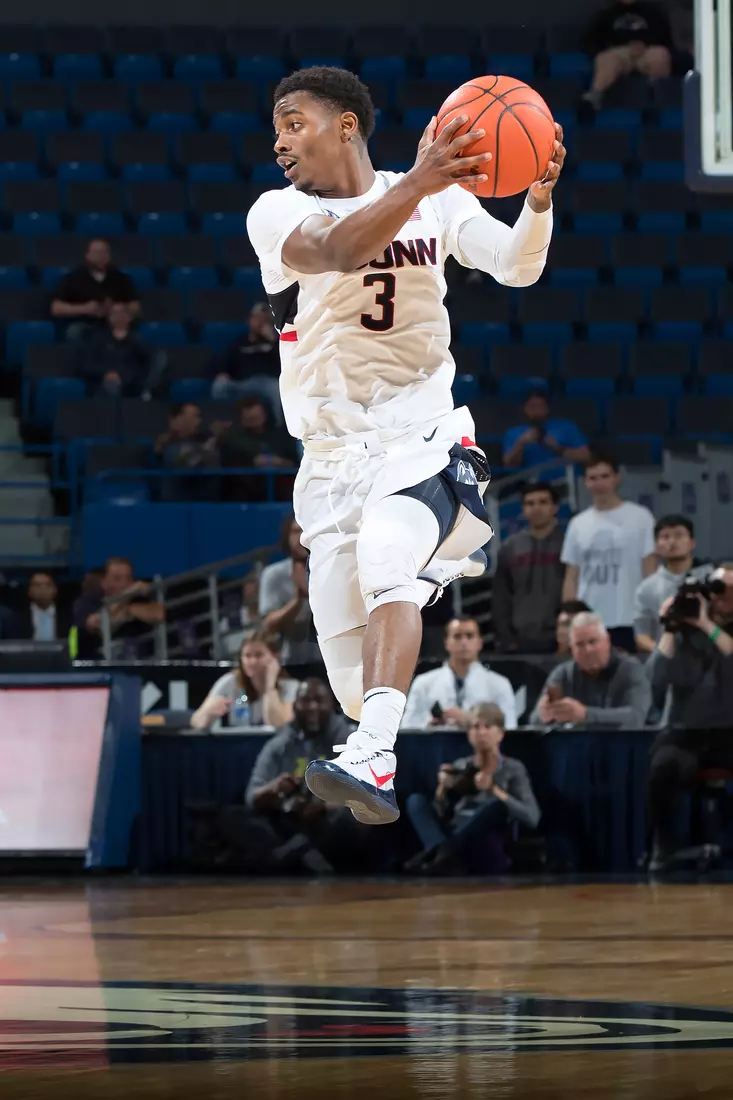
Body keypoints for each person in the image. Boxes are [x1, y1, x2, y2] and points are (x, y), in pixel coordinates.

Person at [247, 66, 564, 825]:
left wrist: (538, 198)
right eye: (275, 128)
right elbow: (342, 248)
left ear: (347, 124)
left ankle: (374, 753)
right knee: (357, 687)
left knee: (391, 565)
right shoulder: (274, 212)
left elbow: (518, 266)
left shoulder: (436, 197)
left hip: (419, 433)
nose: (279, 140)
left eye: (294, 122)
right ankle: (383, 713)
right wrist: (419, 182)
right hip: (327, 461)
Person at [645, 568, 733, 871]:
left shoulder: (716, 628)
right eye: (718, 589)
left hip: (729, 731)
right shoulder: (684, 631)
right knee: (663, 767)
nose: (722, 597)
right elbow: (655, 678)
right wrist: (669, 627)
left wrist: (707, 624)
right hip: (687, 731)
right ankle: (665, 847)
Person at [239, 678, 363, 872]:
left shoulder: (349, 742)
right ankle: (302, 854)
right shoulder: (280, 744)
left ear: (331, 705)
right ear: (295, 706)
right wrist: (274, 788)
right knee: (237, 817)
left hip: (327, 822)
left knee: (350, 819)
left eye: (319, 700)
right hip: (289, 816)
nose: (312, 707)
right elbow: (251, 796)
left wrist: (322, 805)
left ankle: (287, 857)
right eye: (305, 700)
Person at [404, 702, 540, 875]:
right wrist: (442, 789)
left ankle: (442, 853)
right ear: (469, 734)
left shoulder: (513, 768)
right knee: (415, 801)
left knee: (496, 806)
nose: (481, 732)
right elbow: (439, 815)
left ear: (500, 733)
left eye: (488, 726)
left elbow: (532, 817)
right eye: (475, 727)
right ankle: (443, 851)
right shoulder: (461, 765)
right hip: (456, 831)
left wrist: (494, 790)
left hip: (484, 840)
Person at [561, 452, 656, 652]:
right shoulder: (578, 524)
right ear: (585, 482)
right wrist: (569, 617)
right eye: (593, 478)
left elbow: (650, 571)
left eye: (605, 476)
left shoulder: (641, 517)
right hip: (589, 618)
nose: (599, 483)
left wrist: (652, 615)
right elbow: (571, 576)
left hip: (630, 616)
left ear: (616, 478)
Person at [529, 611, 652, 729]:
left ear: (607, 641)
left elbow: (636, 717)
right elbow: (533, 721)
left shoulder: (631, 669)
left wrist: (585, 715)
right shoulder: (562, 674)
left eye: (593, 642)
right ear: (572, 648)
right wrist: (544, 715)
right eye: (580, 644)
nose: (587, 650)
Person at [401, 616, 518, 730]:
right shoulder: (423, 683)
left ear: (480, 642)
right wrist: (428, 727)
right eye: (457, 636)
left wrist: (472, 720)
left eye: (469, 636)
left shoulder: (500, 684)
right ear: (446, 643)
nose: (464, 642)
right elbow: (407, 729)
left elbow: (510, 728)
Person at [492, 482, 566, 653]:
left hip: (559, 638)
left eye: (543, 502)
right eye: (530, 503)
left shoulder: (568, 544)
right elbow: (501, 597)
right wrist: (506, 638)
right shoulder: (509, 548)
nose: (536, 508)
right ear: (523, 509)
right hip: (519, 639)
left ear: (555, 507)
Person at [633, 515, 712, 654]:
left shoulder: (711, 577)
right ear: (656, 546)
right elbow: (641, 635)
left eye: (679, 535)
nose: (672, 541)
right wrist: (662, 653)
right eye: (665, 537)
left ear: (692, 542)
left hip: (710, 657)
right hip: (667, 662)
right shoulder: (646, 588)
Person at [191, 631, 299, 730]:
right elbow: (195, 721)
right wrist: (208, 714)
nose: (252, 661)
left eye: (258, 655)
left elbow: (279, 725)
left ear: (275, 657)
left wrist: (269, 687)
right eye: (247, 656)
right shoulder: (230, 682)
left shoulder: (291, 687)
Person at [583, 0, 674, 111]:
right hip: (619, 55)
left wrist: (644, 44)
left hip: (645, 53)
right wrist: (620, 49)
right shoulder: (607, 14)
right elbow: (590, 43)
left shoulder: (653, 12)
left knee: (660, 55)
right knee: (607, 59)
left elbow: (665, 40)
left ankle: (653, 99)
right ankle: (592, 99)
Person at [73, 555, 165, 659]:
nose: (124, 583)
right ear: (104, 582)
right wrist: (128, 595)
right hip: (97, 667)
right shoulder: (87, 601)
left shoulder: (138, 599)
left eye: (128, 578)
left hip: (138, 664)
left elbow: (159, 614)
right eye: (117, 578)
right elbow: (95, 624)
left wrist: (129, 610)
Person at [259, 514, 321, 666]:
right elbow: (268, 625)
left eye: (304, 531)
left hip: (325, 661)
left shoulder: (328, 570)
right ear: (286, 536)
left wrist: (311, 594)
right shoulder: (273, 574)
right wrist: (297, 601)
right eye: (295, 531)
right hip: (287, 662)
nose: (300, 537)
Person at [50, 237, 140, 339]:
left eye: (104, 252)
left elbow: (135, 306)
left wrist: (118, 308)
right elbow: (56, 308)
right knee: (75, 332)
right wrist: (84, 309)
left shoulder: (120, 278)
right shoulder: (73, 278)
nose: (100, 256)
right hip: (83, 323)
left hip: (112, 325)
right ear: (87, 255)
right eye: (97, 252)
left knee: (131, 334)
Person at [218, 395, 300, 501]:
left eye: (257, 417)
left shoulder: (280, 435)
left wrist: (280, 462)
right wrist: (253, 461)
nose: (254, 421)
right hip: (245, 487)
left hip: (280, 485)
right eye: (249, 418)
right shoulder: (233, 438)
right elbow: (229, 462)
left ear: (264, 414)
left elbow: (294, 462)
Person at [211, 303, 283, 421]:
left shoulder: (275, 343)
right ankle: (221, 423)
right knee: (219, 386)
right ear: (250, 320)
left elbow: (285, 362)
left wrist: (273, 340)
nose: (260, 323)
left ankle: (279, 427)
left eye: (265, 320)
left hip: (268, 382)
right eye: (257, 319)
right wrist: (222, 373)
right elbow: (225, 361)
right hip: (244, 382)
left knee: (276, 390)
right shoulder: (240, 342)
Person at [502, 390, 591, 473]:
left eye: (541, 406)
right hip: (531, 484)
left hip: (565, 480)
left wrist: (558, 448)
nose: (537, 411)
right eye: (532, 406)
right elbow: (508, 465)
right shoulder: (514, 433)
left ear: (548, 409)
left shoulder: (566, 427)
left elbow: (585, 456)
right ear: (525, 409)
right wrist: (520, 444)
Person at [80, 302, 154, 398]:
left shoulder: (137, 341)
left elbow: (145, 366)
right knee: (109, 387)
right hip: (103, 384)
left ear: (129, 317)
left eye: (121, 313)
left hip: (130, 385)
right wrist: (106, 373)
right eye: (114, 313)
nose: (118, 317)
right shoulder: (98, 340)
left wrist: (123, 376)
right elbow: (88, 364)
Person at [155, 402, 222, 502]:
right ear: (178, 419)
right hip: (180, 509)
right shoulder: (170, 447)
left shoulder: (201, 441)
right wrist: (208, 450)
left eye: (199, 416)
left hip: (209, 505)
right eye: (194, 416)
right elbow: (193, 466)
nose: (199, 421)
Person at [12, 571, 73, 642]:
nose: (43, 589)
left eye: (48, 585)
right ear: (29, 591)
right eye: (37, 585)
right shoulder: (17, 617)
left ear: (55, 589)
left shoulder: (68, 616)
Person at [219, 573, 261, 658]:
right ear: (243, 591)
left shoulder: (272, 617)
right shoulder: (228, 623)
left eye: (256, 583)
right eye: (249, 583)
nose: (253, 587)